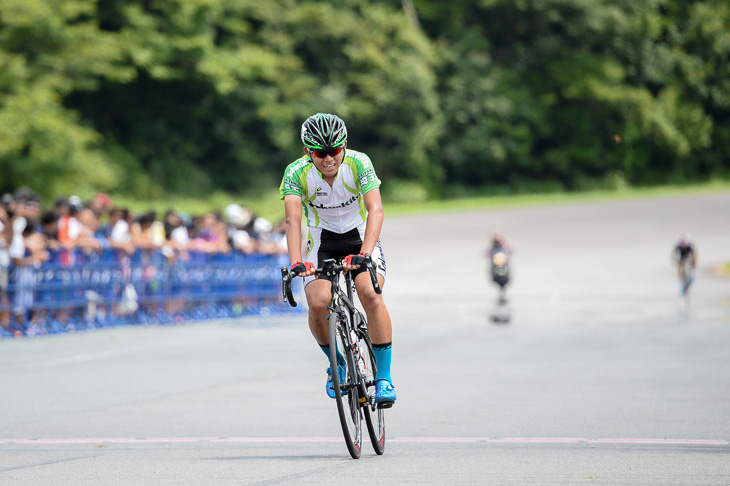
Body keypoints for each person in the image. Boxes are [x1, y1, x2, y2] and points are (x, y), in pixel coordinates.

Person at [280, 112, 396, 407]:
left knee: (370, 293)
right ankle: (337, 362)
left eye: (335, 151)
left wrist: (365, 254)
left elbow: (376, 210)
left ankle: (383, 378)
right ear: (308, 152)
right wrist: (296, 262)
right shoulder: (296, 173)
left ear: (344, 147)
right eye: (320, 153)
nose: (329, 159)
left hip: (360, 238)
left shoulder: (359, 162)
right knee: (318, 303)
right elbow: (293, 221)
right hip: (323, 242)